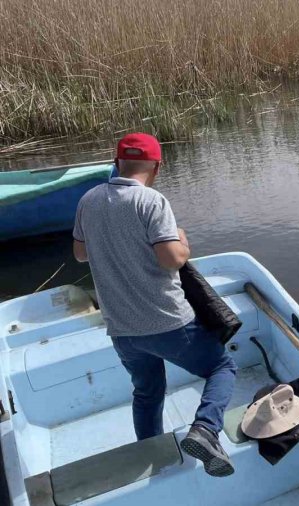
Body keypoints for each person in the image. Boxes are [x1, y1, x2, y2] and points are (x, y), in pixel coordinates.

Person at [72, 133, 237, 477]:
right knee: (222, 368)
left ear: (116, 161)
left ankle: (153, 458)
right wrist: (183, 241)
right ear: (157, 167)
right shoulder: (151, 201)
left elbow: (80, 253)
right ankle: (206, 429)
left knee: (147, 392)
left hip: (122, 330)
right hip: (168, 323)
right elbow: (171, 259)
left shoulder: (88, 199)